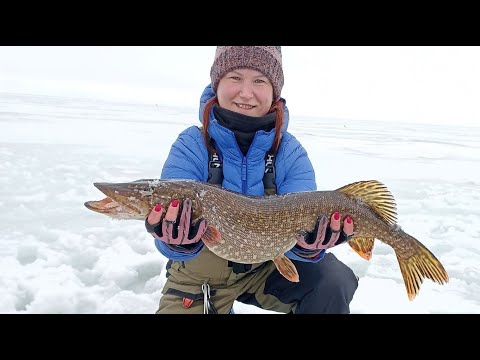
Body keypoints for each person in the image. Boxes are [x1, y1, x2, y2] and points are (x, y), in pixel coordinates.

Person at [145, 46, 358, 314]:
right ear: (217, 83)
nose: (246, 93)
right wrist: (177, 241)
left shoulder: (289, 152)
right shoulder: (191, 144)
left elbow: (301, 228)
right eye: (235, 77)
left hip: (268, 267)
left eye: (259, 80)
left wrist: (308, 247)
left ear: (274, 91)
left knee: (331, 280)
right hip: (200, 278)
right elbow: (170, 246)